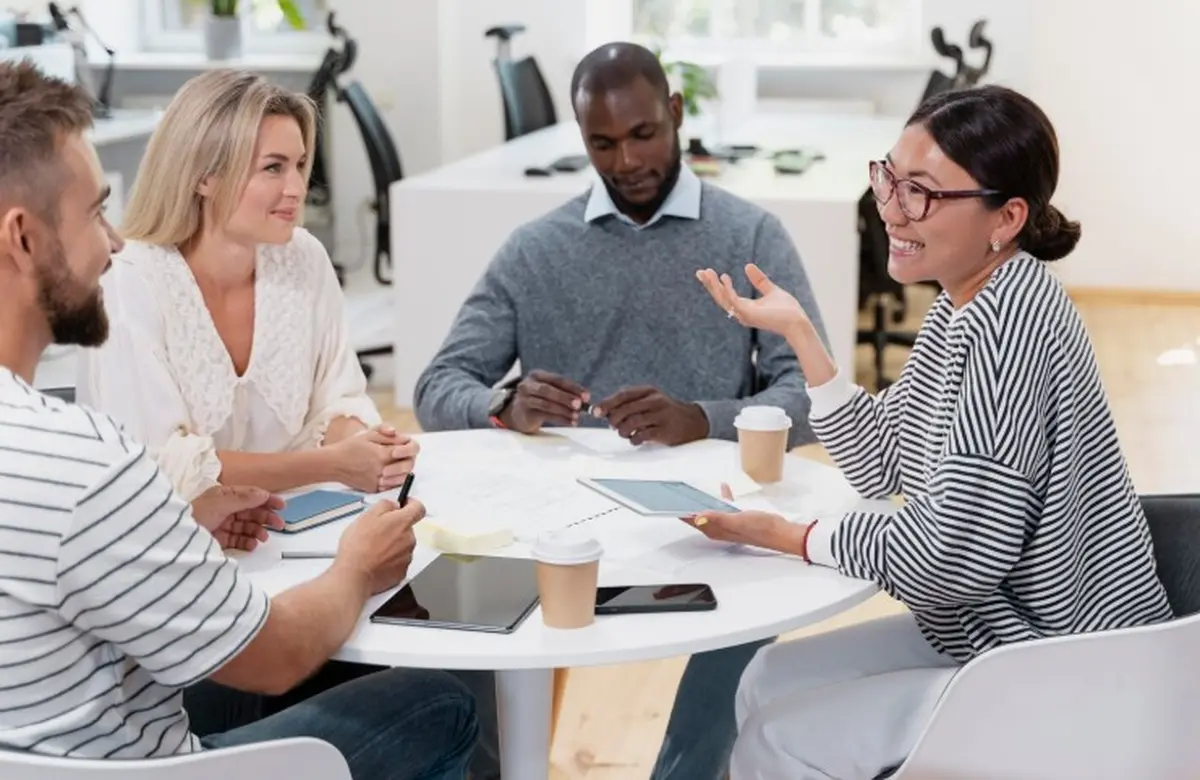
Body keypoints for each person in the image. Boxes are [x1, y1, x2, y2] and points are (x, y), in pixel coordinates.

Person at [0, 61, 477, 778]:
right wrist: (357, 567)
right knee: (444, 702)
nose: (116, 241)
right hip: (159, 764)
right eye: (96, 212)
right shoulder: (89, 465)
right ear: (23, 238)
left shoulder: (60, 458)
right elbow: (274, 655)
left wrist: (182, 518)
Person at [687, 84, 1174, 779]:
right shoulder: (965, 304)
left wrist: (791, 536)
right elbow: (883, 461)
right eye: (889, 178)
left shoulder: (1007, 331)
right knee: (765, 679)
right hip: (1000, 634)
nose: (890, 209)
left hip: (1069, 662)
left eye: (920, 193)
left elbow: (950, 556)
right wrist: (800, 331)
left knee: (778, 740)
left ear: (1007, 216)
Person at [415, 42, 828, 779]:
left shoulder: (748, 236)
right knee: (460, 633)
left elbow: (805, 395)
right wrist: (502, 404)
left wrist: (701, 417)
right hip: (552, 520)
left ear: (676, 113)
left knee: (740, 660)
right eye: (602, 143)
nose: (628, 160)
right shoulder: (536, 249)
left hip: (707, 517)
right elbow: (438, 386)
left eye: (643, 134)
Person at [76, 69, 416, 502]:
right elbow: (160, 465)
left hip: (294, 523)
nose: (297, 188)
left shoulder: (304, 258)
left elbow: (337, 398)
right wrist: (333, 464)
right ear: (204, 177)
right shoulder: (127, 283)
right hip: (171, 535)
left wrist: (368, 446)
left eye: (299, 166)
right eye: (273, 168)